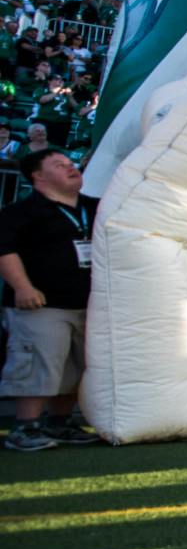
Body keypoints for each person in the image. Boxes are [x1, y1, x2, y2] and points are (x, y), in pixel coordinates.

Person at [0, 150, 99, 449]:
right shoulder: (22, 212)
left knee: (75, 365)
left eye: (71, 163)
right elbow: (5, 250)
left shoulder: (95, 208)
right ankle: (25, 426)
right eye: (59, 165)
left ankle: (61, 422)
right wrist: (23, 287)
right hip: (42, 304)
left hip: (85, 303)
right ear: (38, 176)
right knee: (38, 362)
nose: (71, 168)